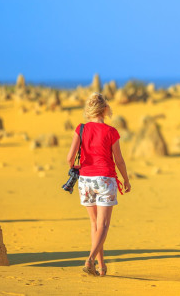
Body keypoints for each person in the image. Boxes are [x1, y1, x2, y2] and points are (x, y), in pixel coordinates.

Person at [66, 92, 131, 277]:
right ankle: (90, 260)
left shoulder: (81, 129)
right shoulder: (111, 132)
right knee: (103, 224)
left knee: (95, 224)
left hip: (85, 180)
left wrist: (78, 166)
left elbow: (70, 159)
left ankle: (101, 268)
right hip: (105, 179)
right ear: (105, 109)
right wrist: (126, 179)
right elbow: (119, 160)